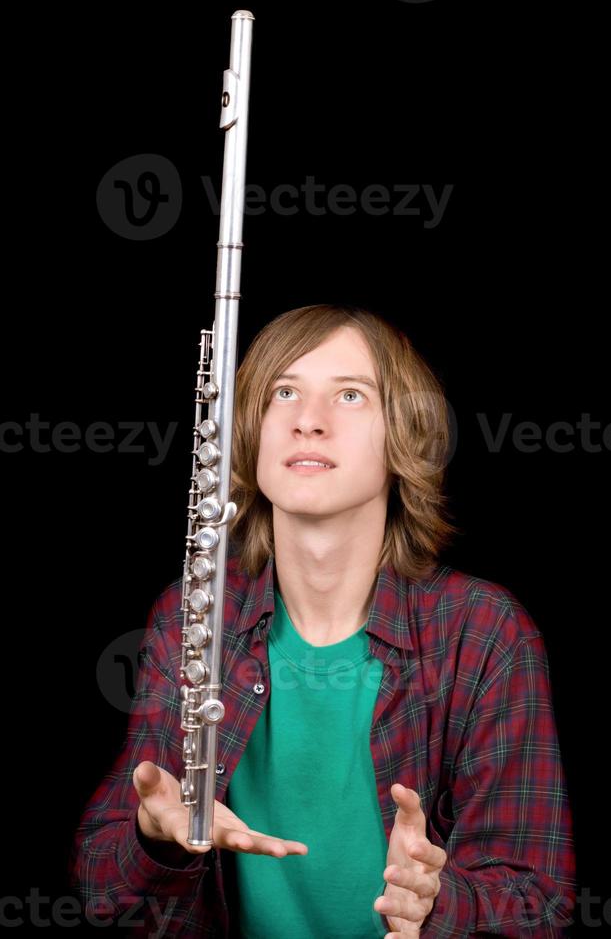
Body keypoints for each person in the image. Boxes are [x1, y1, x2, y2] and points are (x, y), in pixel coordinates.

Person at [69, 304, 576, 937]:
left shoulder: (485, 633)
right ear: (248, 430)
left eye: (350, 395)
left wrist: (437, 903)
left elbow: (537, 901)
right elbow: (100, 885)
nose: (308, 422)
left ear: (405, 435)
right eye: (284, 392)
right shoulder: (191, 619)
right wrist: (156, 835)